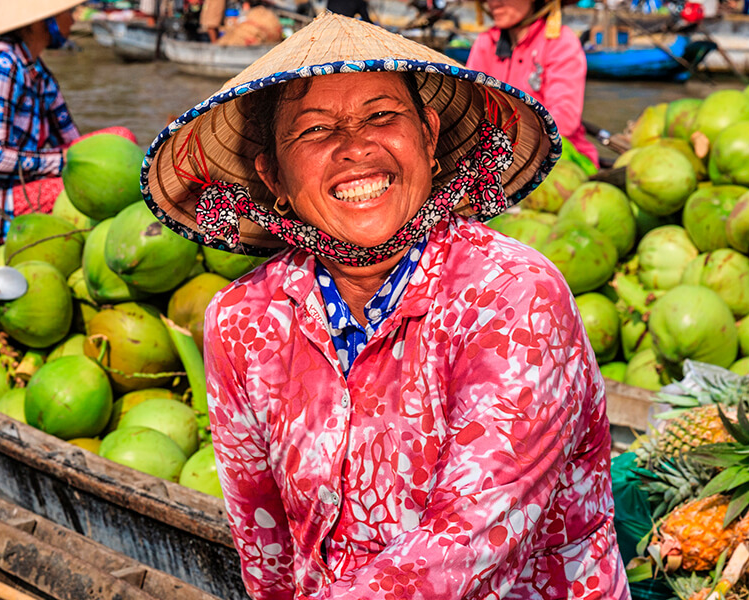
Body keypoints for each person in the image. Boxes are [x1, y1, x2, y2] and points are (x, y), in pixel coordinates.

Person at [140, 14, 626, 599]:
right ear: (273, 175)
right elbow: (266, 548)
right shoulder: (243, 322)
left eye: (381, 116)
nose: (356, 148)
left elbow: (467, 543)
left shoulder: (514, 296)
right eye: (316, 131)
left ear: (428, 134)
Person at [0, 0, 135, 245]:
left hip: (19, 182)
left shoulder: (36, 70)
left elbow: (74, 142)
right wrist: (66, 162)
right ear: (42, 22)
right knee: (84, 191)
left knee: (121, 137)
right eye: (67, 13)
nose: (73, 20)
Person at [466, 0, 598, 168]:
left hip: (557, 158)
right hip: (493, 154)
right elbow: (471, 102)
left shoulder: (560, 42)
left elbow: (564, 119)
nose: (493, 3)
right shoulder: (485, 42)